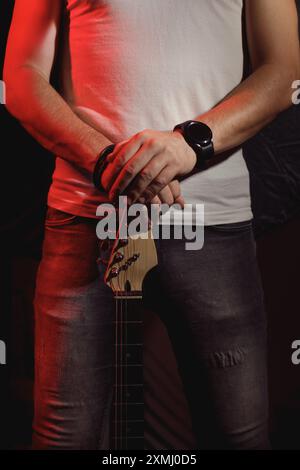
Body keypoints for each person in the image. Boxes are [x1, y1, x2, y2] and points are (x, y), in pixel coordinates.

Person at [4, 0, 299, 450]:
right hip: (86, 219)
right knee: (63, 440)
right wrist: (103, 160)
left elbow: (284, 72)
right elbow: (22, 77)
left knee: (239, 439)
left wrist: (189, 145)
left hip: (211, 223)